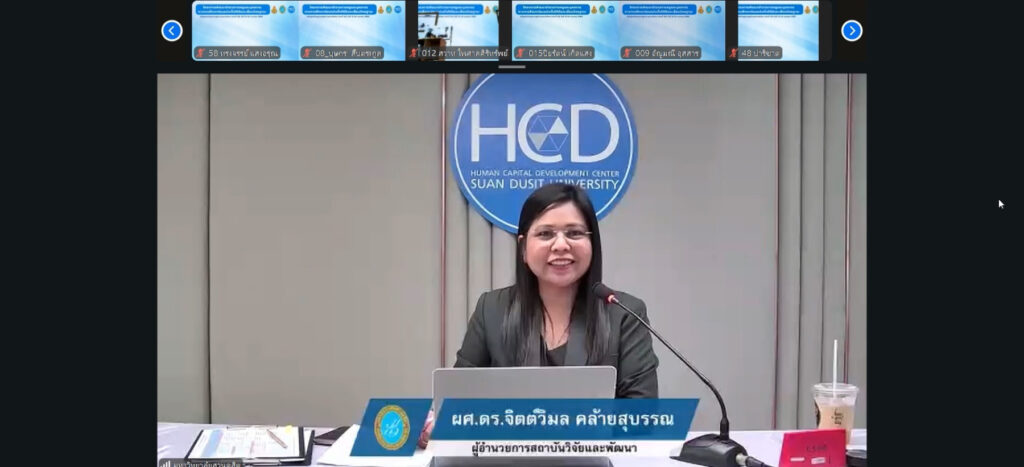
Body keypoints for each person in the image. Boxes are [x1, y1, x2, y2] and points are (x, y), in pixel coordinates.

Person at [419, 183, 659, 447]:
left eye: (574, 233)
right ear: (523, 247)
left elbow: (642, 418)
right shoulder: (491, 309)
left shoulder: (624, 313)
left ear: (592, 243)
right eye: (545, 234)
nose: (561, 245)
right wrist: (436, 423)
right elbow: (458, 403)